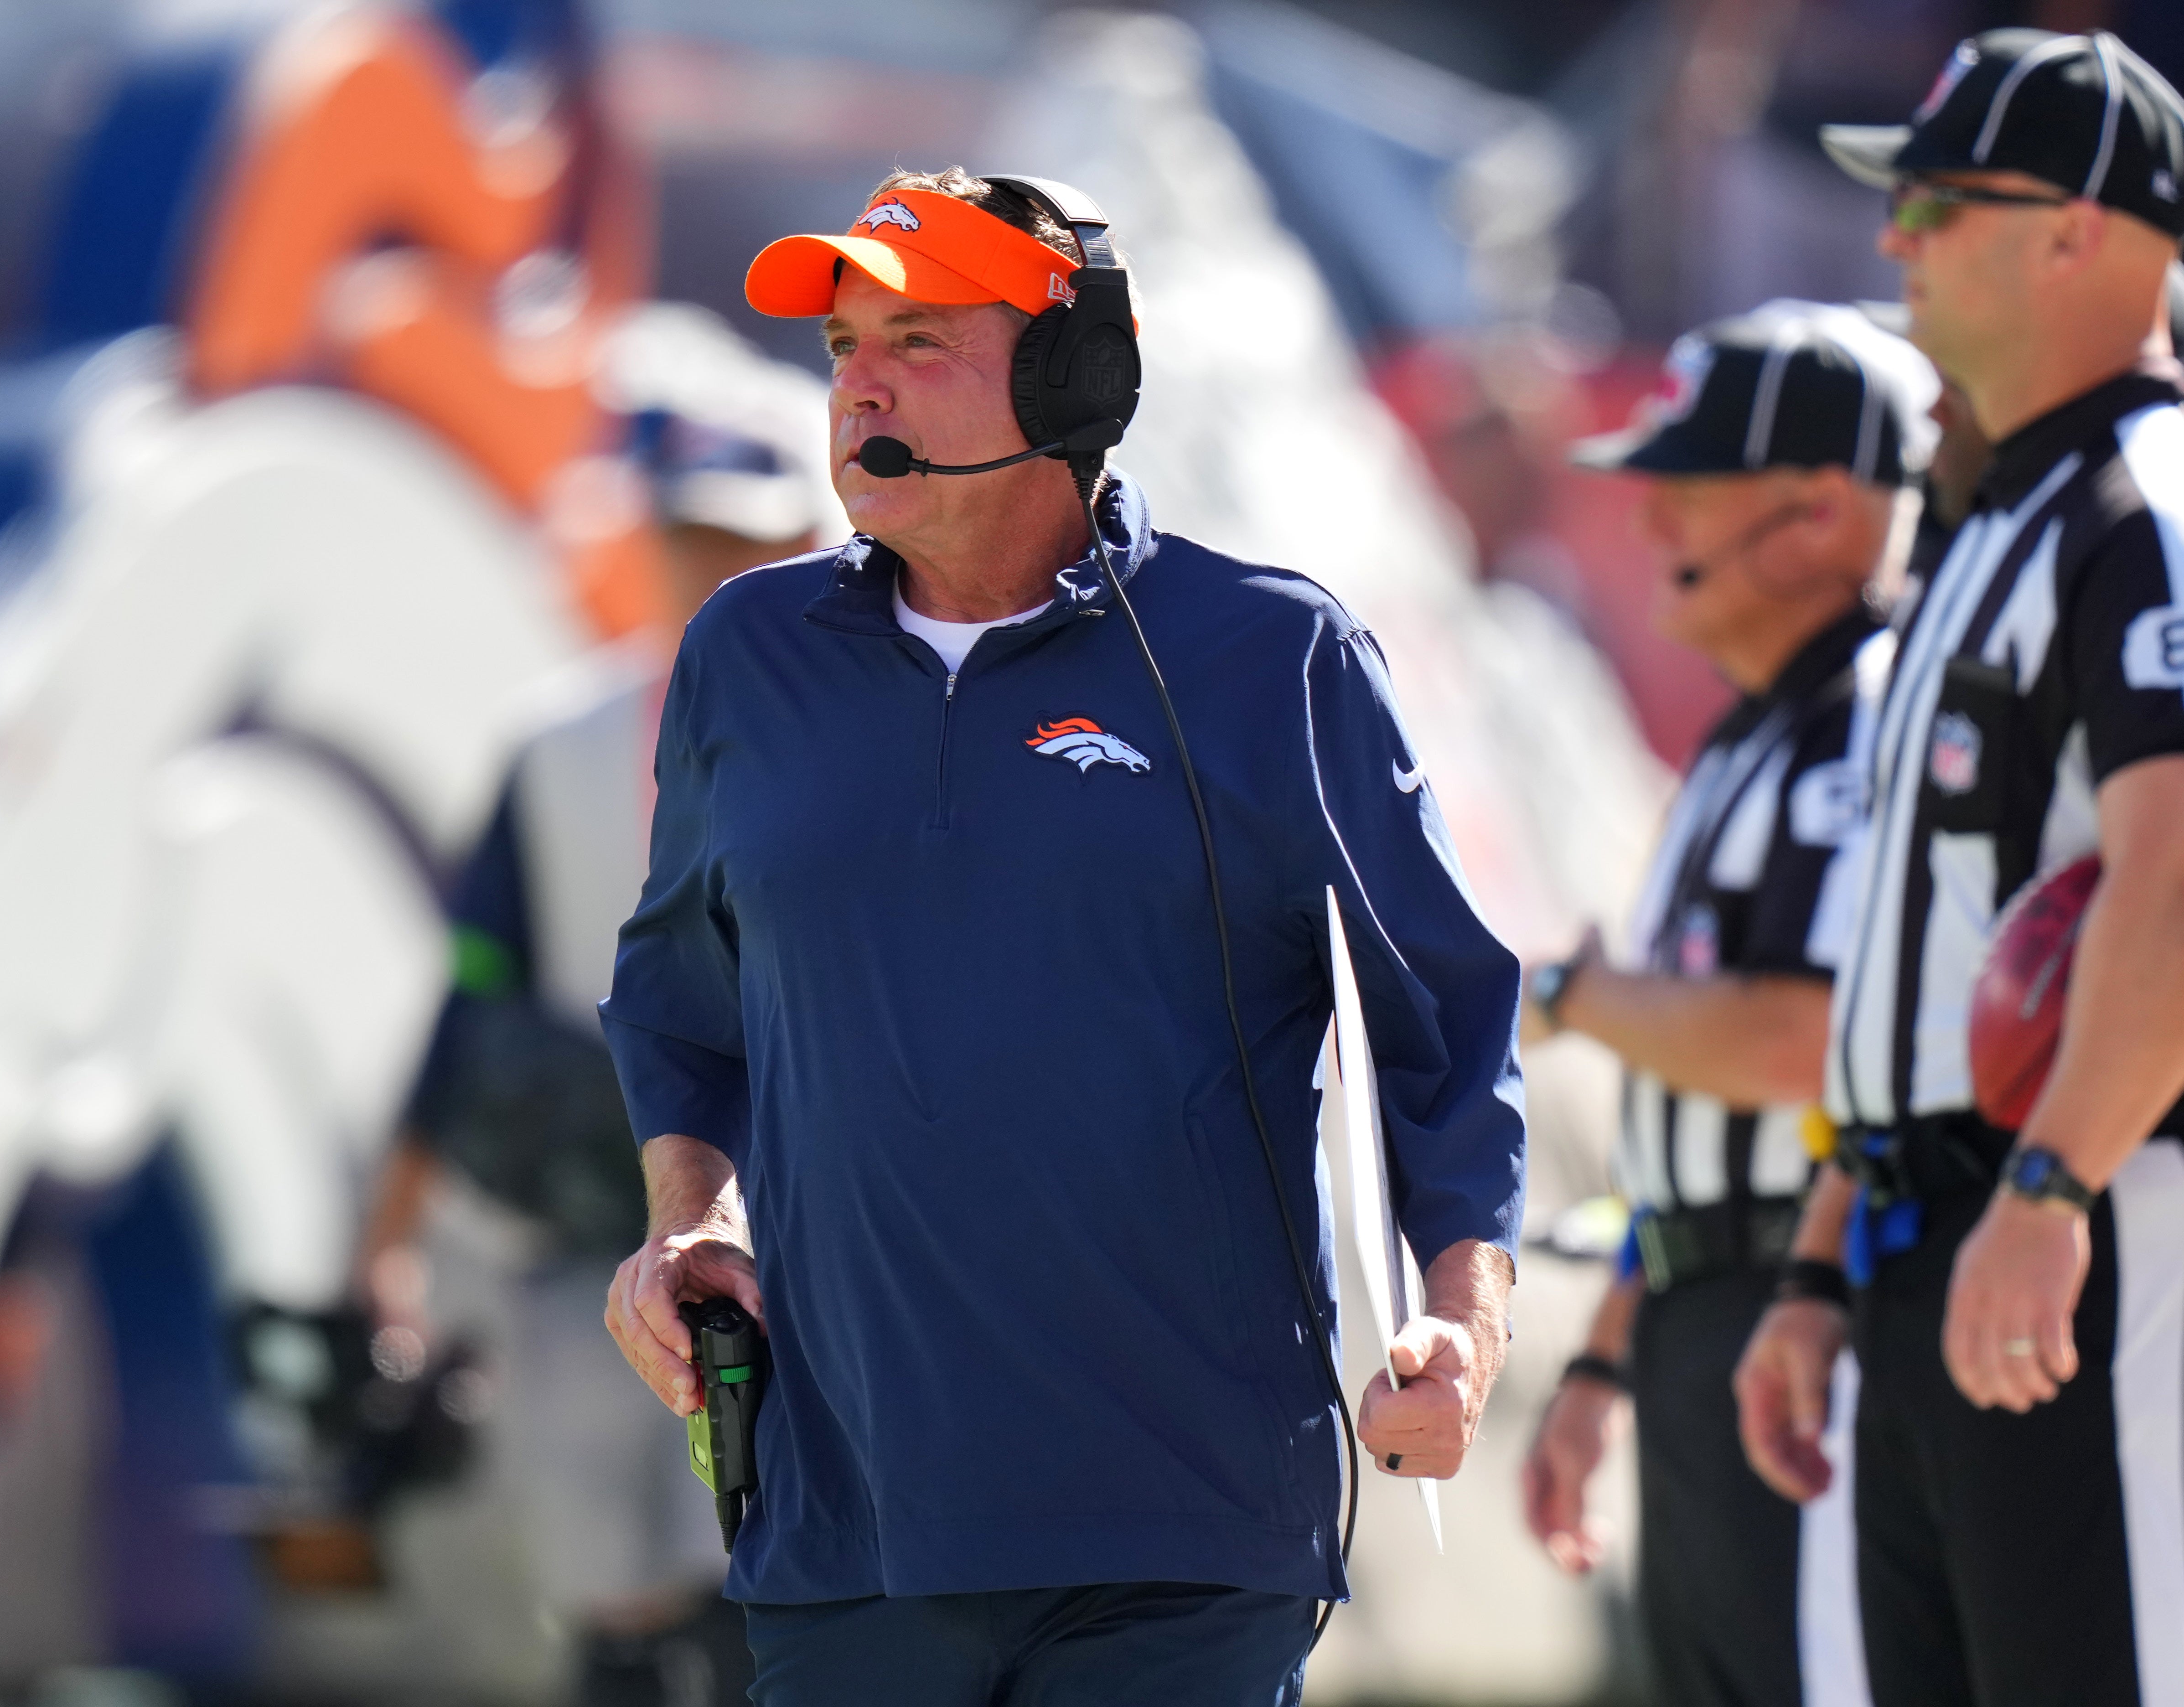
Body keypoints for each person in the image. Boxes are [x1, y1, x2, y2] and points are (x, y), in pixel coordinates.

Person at [597, 167, 1526, 1704]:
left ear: (1070, 375)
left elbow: (1447, 1018)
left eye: (916, 339)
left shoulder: (1271, 655)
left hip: (1183, 1538)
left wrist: (1460, 1321)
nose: (858, 387)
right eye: (841, 349)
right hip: (847, 1532)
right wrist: (689, 1216)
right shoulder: (743, 657)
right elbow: (681, 1006)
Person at [1736, 31, 2184, 1706]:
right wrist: (1827, 1263)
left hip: (2093, 1204)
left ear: (2079, 230)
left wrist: (2052, 1185)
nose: (1893, 238)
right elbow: (1922, 962)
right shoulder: (1998, 532)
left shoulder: (2153, 511)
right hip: (1939, 1222)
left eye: (1938, 200)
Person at [365, 314, 836, 1707]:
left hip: (806, 1254)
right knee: (603, 1589)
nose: (718, 575)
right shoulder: (560, 742)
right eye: (694, 542)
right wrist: (382, 1249)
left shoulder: (871, 743)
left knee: (763, 1584)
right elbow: (463, 1003)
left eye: (747, 544)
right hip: (584, 1237)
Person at [1520, 300, 1933, 1707]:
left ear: (1821, 512)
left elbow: (1795, 1043)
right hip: (1709, 1310)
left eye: (1689, 490)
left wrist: (1575, 997)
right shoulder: (1746, 738)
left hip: (1814, 1320)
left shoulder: (1873, 714)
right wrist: (1607, 1361)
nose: (1651, 530)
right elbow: (1701, 1091)